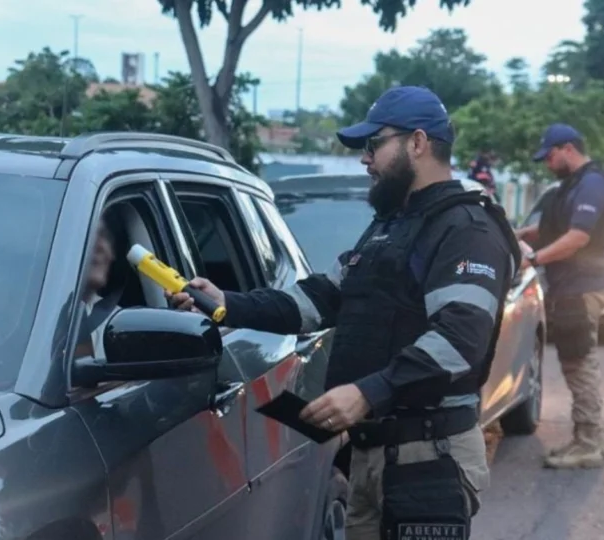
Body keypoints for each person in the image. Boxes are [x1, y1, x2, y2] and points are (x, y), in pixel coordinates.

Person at [168, 85, 521, 540]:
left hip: (430, 459)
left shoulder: (467, 230)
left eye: (374, 145)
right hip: (372, 454)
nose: (364, 159)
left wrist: (368, 392)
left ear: (417, 143)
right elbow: (315, 302)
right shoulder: (389, 227)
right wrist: (226, 303)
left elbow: (461, 340)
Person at [515, 123, 604, 469]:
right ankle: (583, 438)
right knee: (575, 362)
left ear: (568, 149)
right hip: (570, 287)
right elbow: (551, 229)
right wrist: (515, 234)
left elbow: (577, 238)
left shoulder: (592, 184)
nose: (547, 162)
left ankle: (588, 443)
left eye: (550, 155)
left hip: (581, 286)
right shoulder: (572, 186)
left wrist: (533, 258)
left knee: (579, 364)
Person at [74, 217, 119, 359]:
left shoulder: (118, 324)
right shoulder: (19, 318)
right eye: (88, 235)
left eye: (103, 235)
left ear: (112, 255)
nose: (99, 246)